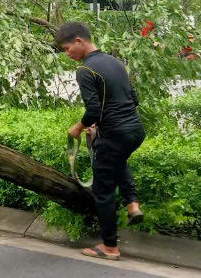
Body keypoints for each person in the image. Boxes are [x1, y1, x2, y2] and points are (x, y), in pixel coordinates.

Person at [55, 21, 145, 261]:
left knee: (103, 191)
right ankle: (132, 204)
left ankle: (109, 247)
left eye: (66, 49)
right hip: (135, 130)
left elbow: (94, 108)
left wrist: (78, 127)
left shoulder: (85, 70)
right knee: (117, 160)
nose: (67, 54)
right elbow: (132, 98)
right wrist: (100, 122)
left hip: (115, 134)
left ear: (78, 41)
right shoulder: (115, 62)